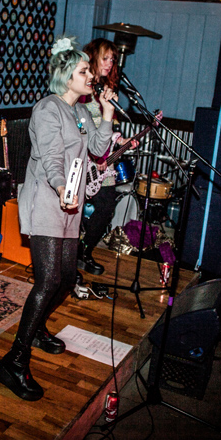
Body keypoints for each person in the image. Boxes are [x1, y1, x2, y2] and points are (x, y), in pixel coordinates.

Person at [0, 37, 115, 401]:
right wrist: (64, 186)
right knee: (48, 279)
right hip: (48, 199)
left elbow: (97, 148)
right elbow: (50, 157)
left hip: (71, 202)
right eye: (83, 71)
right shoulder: (47, 109)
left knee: (66, 277)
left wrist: (107, 113)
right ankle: (15, 361)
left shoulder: (81, 112)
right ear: (67, 76)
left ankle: (38, 328)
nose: (90, 76)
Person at [77, 38, 138, 275]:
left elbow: (108, 130)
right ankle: (74, 253)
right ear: (92, 57)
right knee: (86, 210)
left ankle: (84, 252)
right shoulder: (84, 91)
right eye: (106, 57)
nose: (111, 62)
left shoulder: (106, 91)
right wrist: (94, 157)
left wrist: (122, 142)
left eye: (113, 59)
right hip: (86, 161)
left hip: (106, 162)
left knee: (105, 209)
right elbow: (80, 128)